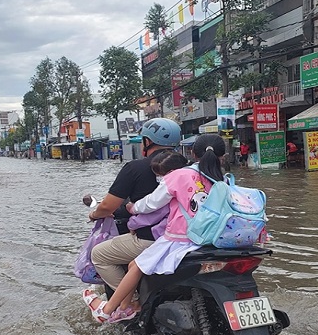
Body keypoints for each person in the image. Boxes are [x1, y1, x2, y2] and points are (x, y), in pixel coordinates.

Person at [84, 134, 225, 323]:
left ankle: (111, 309)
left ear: (193, 152)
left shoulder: (175, 175)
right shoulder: (223, 179)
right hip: (213, 240)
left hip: (179, 239)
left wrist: (132, 208)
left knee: (133, 264)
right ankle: (128, 306)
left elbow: (150, 205)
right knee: (137, 264)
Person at [87, 118, 182, 295]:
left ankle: (128, 303)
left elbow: (108, 206)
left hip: (151, 238)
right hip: (186, 238)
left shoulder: (135, 168)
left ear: (147, 141)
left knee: (98, 255)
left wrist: (94, 214)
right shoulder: (189, 168)